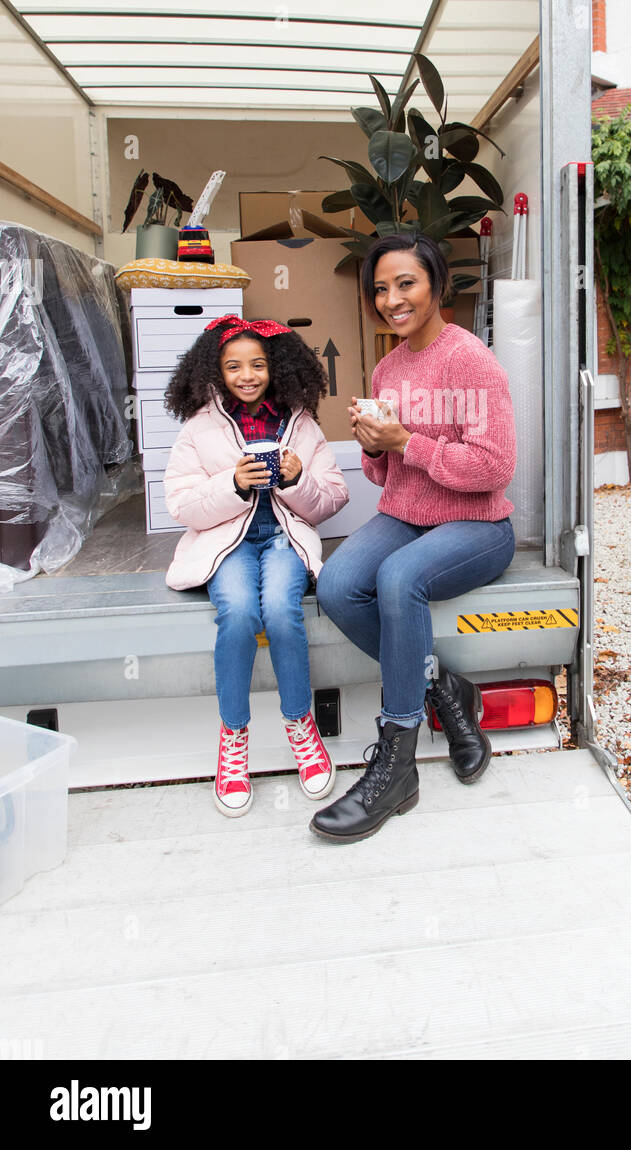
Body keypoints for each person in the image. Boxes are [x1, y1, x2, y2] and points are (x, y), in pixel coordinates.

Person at [312, 233, 517, 843]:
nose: (392, 299)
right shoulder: (387, 366)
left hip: (478, 524)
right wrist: (376, 447)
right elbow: (386, 475)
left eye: (406, 284)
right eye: (381, 288)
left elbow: (494, 467)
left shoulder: (470, 359)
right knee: (339, 586)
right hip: (408, 512)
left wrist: (407, 443)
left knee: (399, 578)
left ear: (436, 286)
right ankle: (443, 688)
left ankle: (397, 762)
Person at [162, 315, 349, 817]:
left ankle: (300, 726)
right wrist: (234, 485)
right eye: (234, 366)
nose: (247, 375)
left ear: (278, 367)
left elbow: (333, 498)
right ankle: (233, 740)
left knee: (282, 613)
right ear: (214, 371)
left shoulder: (301, 423)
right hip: (229, 543)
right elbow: (180, 504)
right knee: (240, 613)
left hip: (284, 539)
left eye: (258, 364)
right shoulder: (199, 428)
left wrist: (295, 478)